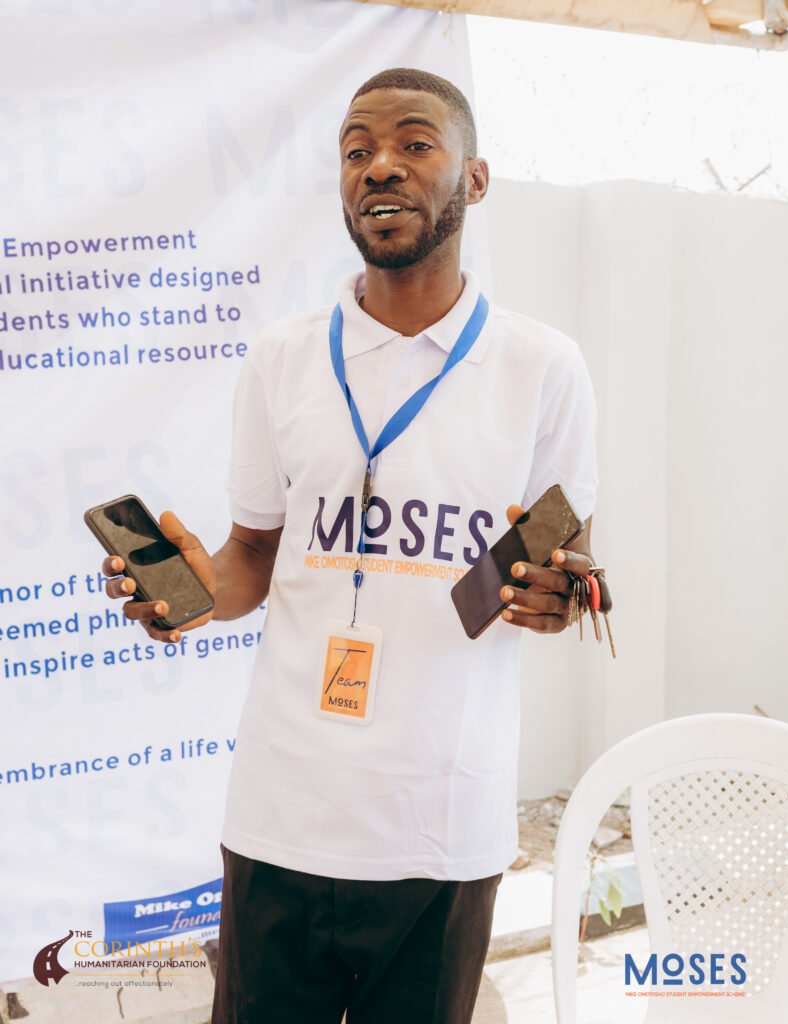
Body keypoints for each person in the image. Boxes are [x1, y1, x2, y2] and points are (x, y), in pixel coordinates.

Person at [100, 68, 599, 1024]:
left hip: (439, 822)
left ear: (474, 179)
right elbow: (253, 556)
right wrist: (194, 591)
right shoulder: (282, 359)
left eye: (414, 143)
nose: (379, 166)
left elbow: (554, 561)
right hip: (279, 815)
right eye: (356, 150)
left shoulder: (543, 367)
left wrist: (553, 599)